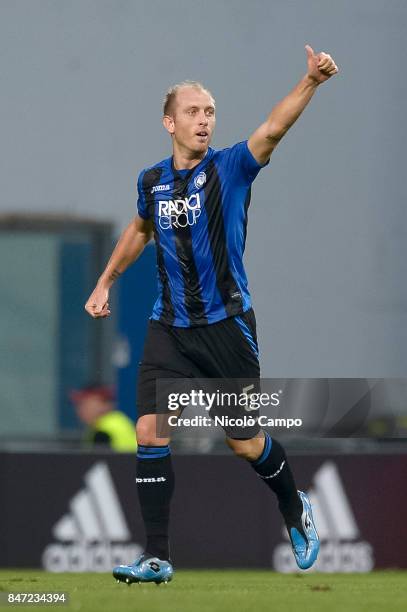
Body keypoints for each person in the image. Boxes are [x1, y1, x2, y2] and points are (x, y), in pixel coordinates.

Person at [85, 44, 338, 584]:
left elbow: (272, 129)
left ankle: (294, 506)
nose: (204, 121)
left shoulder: (231, 167)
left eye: (210, 112)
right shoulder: (152, 181)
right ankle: (157, 555)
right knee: (150, 431)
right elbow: (140, 229)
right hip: (169, 328)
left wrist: (311, 81)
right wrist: (106, 280)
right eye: (193, 112)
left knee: (244, 441)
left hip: (226, 328)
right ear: (169, 122)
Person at [70, 384, 137, 452]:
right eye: (79, 405)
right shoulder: (119, 419)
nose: (80, 409)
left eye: (86, 404)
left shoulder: (103, 431)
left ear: (104, 405)